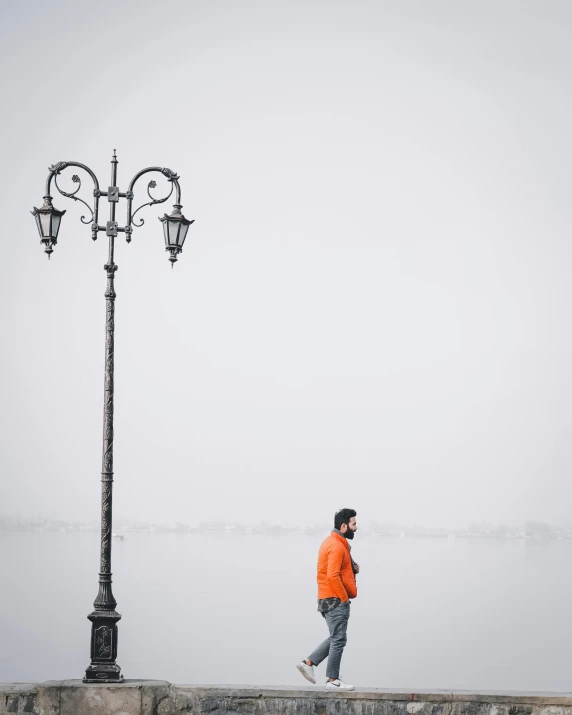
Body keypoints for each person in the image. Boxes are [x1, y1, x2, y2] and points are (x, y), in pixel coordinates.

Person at [296, 508, 359, 691]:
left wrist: (352, 568)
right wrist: (343, 599)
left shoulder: (332, 542)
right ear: (344, 525)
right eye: (354, 524)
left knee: (336, 637)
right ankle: (333, 680)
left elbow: (334, 570)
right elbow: (332, 575)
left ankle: (308, 663)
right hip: (335, 599)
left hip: (326, 597)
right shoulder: (337, 545)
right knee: (338, 639)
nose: (356, 528)